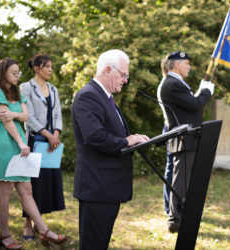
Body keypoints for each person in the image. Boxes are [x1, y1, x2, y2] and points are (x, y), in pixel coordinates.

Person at [0, 58, 66, 249]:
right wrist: (20, 142)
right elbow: (6, 121)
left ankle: (43, 230)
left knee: (27, 189)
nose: (18, 76)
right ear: (3, 73)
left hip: (20, 142)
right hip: (3, 142)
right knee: (6, 188)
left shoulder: (18, 91)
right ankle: (5, 234)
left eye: (19, 72)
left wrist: (15, 114)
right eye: (14, 73)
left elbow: (24, 116)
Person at [72, 49, 149, 249]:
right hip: (97, 187)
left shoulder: (104, 97)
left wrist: (133, 140)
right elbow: (94, 137)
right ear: (108, 70)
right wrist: (127, 141)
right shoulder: (88, 96)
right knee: (93, 244)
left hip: (106, 187)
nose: (125, 80)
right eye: (123, 75)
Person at [160, 51, 215, 233]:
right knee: (180, 181)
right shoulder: (172, 83)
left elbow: (190, 105)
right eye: (186, 63)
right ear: (176, 64)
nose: (189, 67)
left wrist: (200, 93)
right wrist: (206, 91)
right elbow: (193, 104)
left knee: (184, 180)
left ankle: (182, 216)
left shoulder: (175, 82)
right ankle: (175, 219)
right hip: (184, 139)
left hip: (188, 138)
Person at [19, 54, 65, 240]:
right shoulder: (25, 87)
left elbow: (57, 115)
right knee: (31, 185)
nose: (50, 70)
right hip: (33, 141)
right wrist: (47, 135)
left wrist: (56, 135)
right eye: (47, 66)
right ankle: (27, 224)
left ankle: (39, 223)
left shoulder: (53, 89)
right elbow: (28, 117)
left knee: (44, 184)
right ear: (37, 68)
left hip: (50, 142)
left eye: (51, 66)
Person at [156, 54, 174, 215]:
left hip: (170, 128)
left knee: (173, 168)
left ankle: (171, 206)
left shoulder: (170, 83)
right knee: (171, 169)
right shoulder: (167, 84)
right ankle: (169, 207)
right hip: (170, 128)